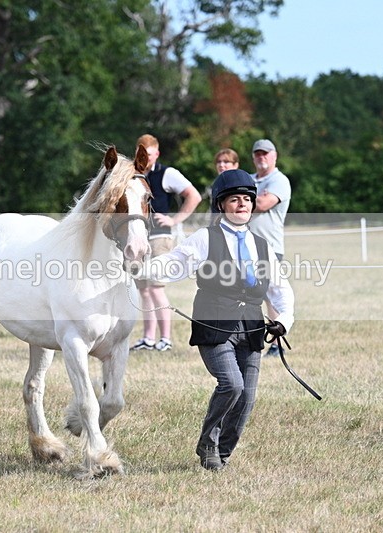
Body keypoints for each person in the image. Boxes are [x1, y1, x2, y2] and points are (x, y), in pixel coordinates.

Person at [135, 169, 294, 471]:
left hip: (251, 328)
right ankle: (208, 442)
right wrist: (140, 268)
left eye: (247, 199)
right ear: (222, 205)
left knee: (246, 398)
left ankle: (223, 452)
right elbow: (173, 265)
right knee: (231, 384)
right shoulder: (205, 238)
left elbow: (280, 288)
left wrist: (283, 320)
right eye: (234, 200)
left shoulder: (263, 246)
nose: (242, 204)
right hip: (214, 325)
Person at [131, 134, 202, 352]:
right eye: (142, 154)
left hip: (160, 237)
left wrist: (174, 219)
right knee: (143, 290)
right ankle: (148, 338)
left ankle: (166, 339)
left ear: (157, 153)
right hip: (138, 237)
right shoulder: (134, 173)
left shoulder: (167, 173)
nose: (146, 158)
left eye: (150, 154)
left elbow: (194, 196)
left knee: (156, 287)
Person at [247, 139, 291, 358]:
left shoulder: (279, 180)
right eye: (257, 154)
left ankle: (276, 341)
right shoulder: (250, 179)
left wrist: (239, 202)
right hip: (245, 245)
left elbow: (262, 205)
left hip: (269, 246)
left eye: (265, 153)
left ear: (275, 156)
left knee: (270, 294)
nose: (261, 157)